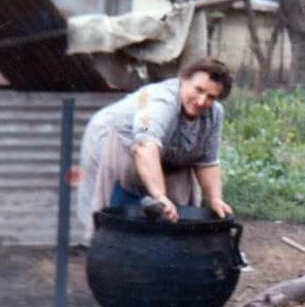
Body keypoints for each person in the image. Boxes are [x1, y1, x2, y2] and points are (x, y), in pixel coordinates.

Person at [76, 56, 234, 241]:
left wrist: (215, 198)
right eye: (198, 90)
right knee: (121, 207)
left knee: (168, 209)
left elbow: (207, 161)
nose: (201, 101)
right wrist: (159, 195)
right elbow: (145, 144)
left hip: (159, 148)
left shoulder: (214, 114)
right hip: (116, 138)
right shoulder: (158, 101)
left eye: (211, 97)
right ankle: (113, 247)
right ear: (184, 80)